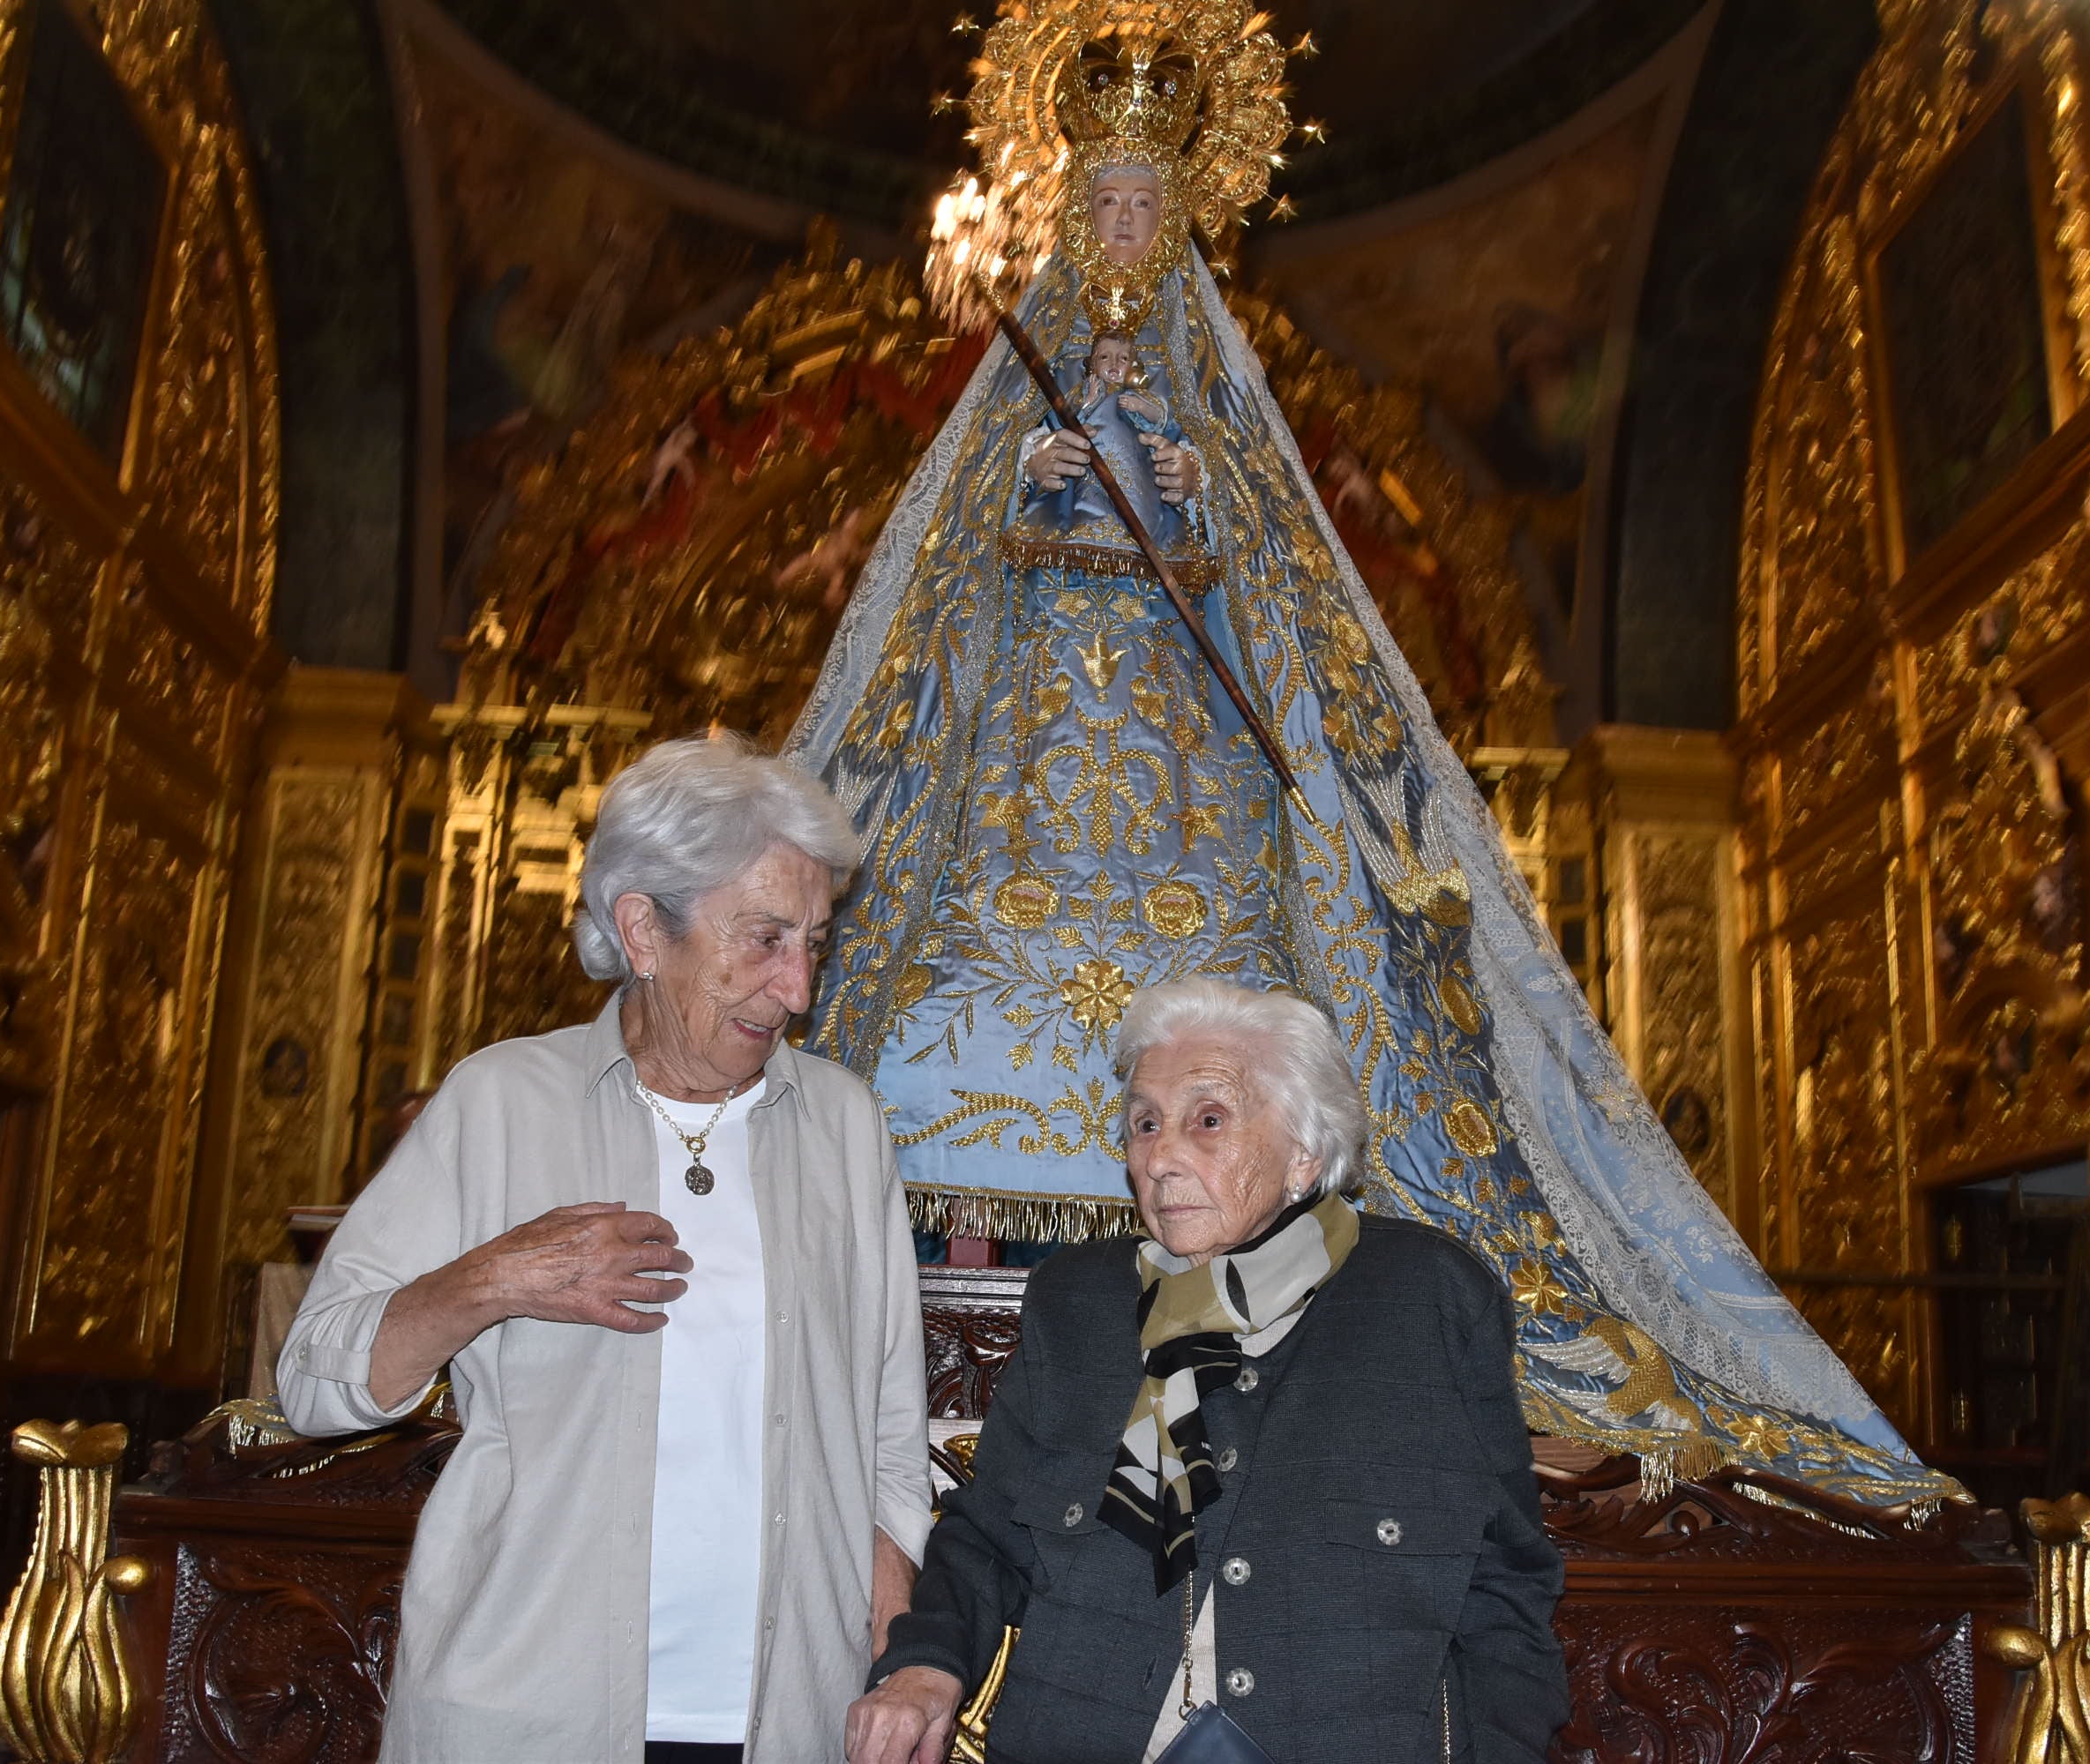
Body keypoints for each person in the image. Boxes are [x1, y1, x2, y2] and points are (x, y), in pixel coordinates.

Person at [791, 19, 1953, 1511]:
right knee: (937, 1009)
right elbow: (933, 626)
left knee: (1248, 1012)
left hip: (1186, 795)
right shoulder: (1017, 413)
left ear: (1181, 224)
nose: (1127, 230)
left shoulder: (1218, 424)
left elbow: (1280, 622)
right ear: (1073, 223)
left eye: (1150, 208)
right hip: (1020, 783)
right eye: (1106, 207)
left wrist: (1194, 504)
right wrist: (1034, 486)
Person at [278, 735, 932, 1764]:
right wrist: (498, 1275)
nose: (799, 987)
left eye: (814, 939)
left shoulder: (845, 1126)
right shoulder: (500, 1100)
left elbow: (890, 1425)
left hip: (784, 1717)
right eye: (763, 939)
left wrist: (891, 1620)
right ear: (641, 928)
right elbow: (314, 1378)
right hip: (527, 1709)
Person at [844, 979, 1569, 1763]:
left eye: (1208, 1120)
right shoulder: (1081, 1304)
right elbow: (989, 1537)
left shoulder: (1428, 1297)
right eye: (1145, 1124)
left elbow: (1506, 1585)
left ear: (1305, 1152)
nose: (1160, 1157)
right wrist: (925, 1664)